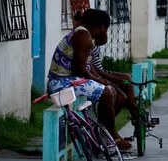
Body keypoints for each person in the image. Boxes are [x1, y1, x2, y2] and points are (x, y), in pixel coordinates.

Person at [47, 9, 130, 150]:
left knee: (114, 92)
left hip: (71, 79)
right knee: (107, 93)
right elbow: (80, 69)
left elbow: (88, 65)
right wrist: (98, 81)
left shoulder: (85, 34)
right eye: (106, 29)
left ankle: (102, 133)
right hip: (61, 82)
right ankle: (112, 135)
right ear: (102, 27)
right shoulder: (83, 36)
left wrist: (104, 79)